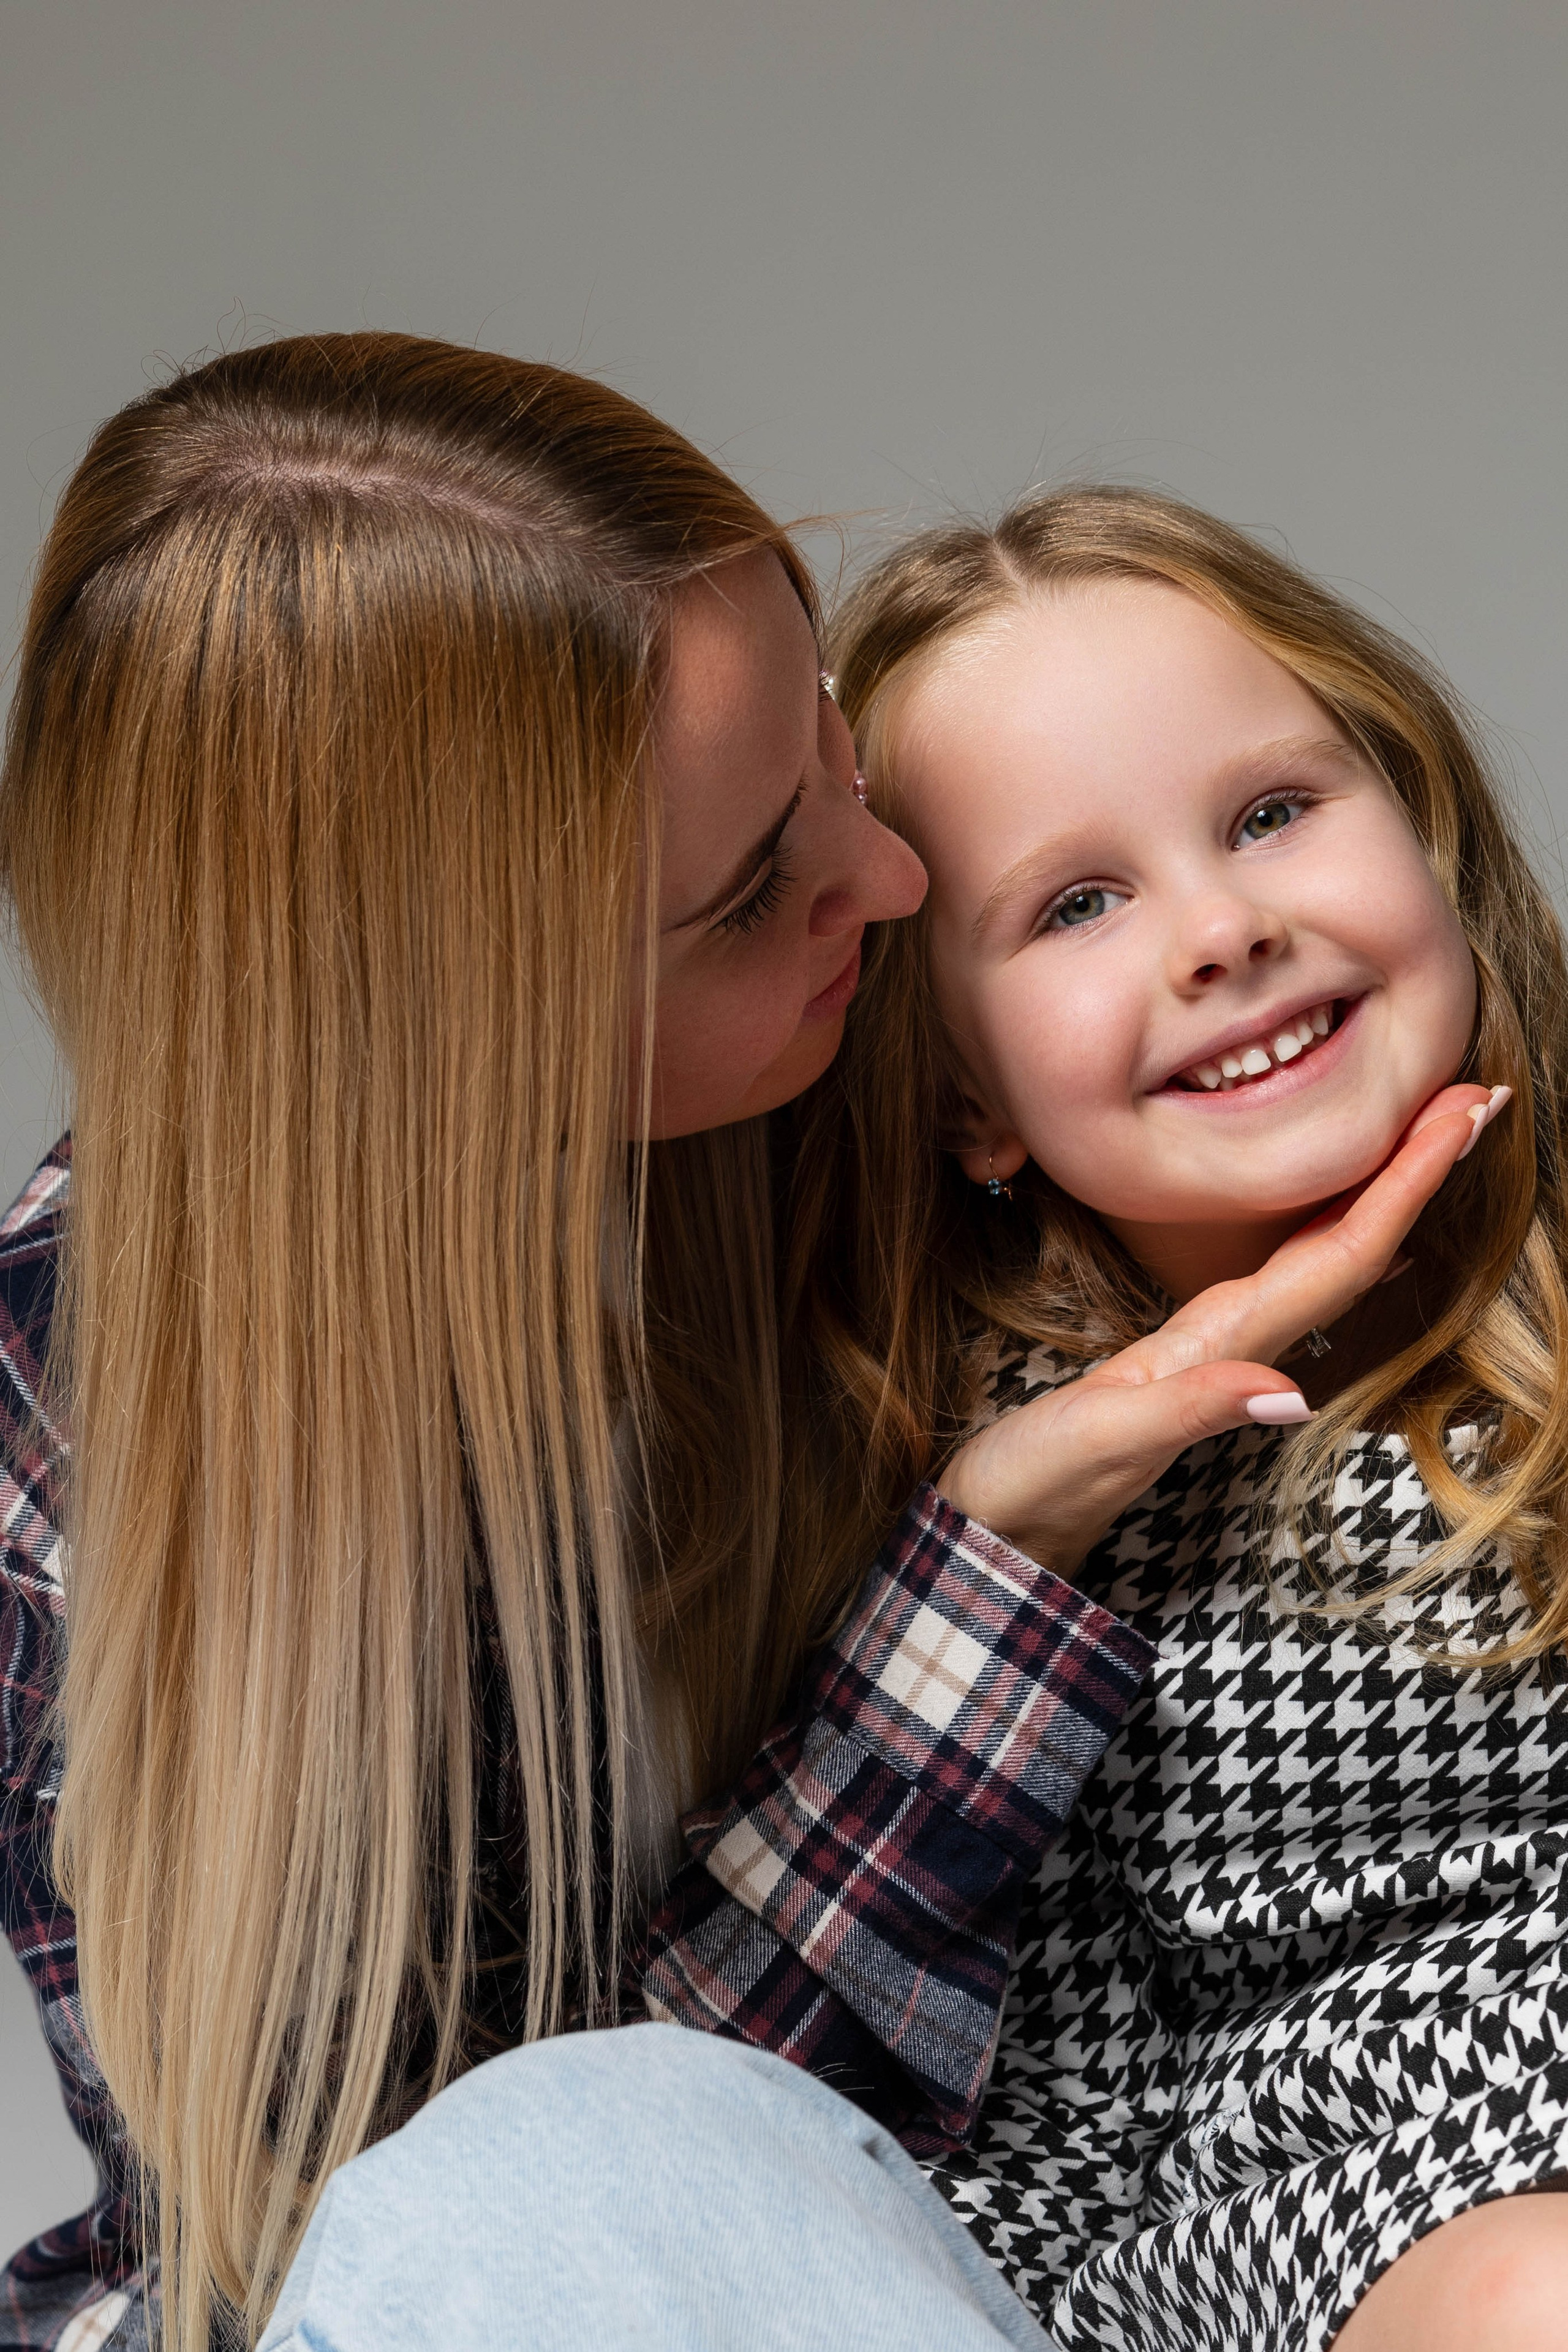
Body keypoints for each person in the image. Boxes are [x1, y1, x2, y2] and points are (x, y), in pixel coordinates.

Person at [0, 344, 1479, 2352]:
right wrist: (978, 1584)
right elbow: (506, 2245)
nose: (890, 879)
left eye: (835, 747)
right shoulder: (75, 1436)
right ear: (467, 1041)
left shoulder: (885, 1087)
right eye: (754, 884)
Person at [791, 483, 1568, 2352]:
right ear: (964, 1097)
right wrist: (1000, 1550)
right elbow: (981, 2093)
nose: (1222, 929)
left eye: (1272, 813)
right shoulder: (979, 1479)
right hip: (1345, 2175)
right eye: (1077, 904)